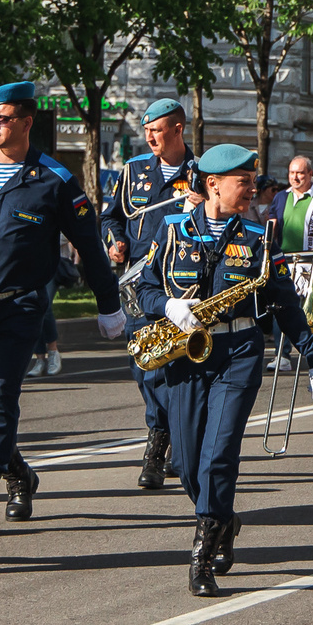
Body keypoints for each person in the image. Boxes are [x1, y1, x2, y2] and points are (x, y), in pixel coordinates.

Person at [130, 144, 313, 596]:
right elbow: (145, 286)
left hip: (238, 351)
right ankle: (223, 517)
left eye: (253, 181)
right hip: (185, 355)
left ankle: (203, 553)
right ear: (213, 184)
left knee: (219, 454)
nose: (253, 188)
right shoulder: (172, 227)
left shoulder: (259, 236)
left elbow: (283, 302)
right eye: (244, 182)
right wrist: (168, 305)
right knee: (189, 462)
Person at [0, 81, 124, 535]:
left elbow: (88, 245)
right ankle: (19, 474)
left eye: (1, 119)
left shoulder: (55, 180)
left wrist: (108, 304)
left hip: (19, 308)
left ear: (26, 122)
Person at [102, 97, 193, 490]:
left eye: (157, 130)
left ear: (177, 129)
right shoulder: (133, 171)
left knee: (175, 368)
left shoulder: (201, 174)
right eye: (147, 131)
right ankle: (168, 433)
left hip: (181, 285)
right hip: (140, 284)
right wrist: (114, 242)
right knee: (143, 366)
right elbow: (111, 216)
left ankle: (158, 447)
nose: (150, 137)